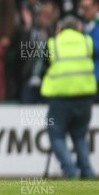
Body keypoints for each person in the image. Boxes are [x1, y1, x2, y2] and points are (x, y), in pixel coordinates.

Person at [41, 16, 96, 179]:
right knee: (80, 135)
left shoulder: (53, 43)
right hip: (85, 95)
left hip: (61, 96)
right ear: (78, 27)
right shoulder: (87, 41)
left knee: (56, 135)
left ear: (60, 28)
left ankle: (70, 170)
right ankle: (86, 171)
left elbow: (45, 64)